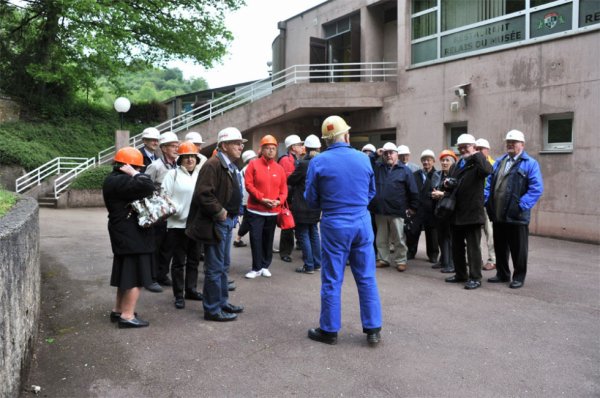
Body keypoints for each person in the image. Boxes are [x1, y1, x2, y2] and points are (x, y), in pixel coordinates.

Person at [305, 115, 382, 346]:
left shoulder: (318, 162)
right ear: (346, 135)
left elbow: (310, 199)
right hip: (361, 221)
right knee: (366, 276)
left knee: (331, 278)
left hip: (335, 223)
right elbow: (371, 191)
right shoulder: (363, 158)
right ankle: (373, 329)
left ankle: (329, 330)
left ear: (326, 141)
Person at [185, 127, 245, 322]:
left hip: (226, 222)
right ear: (224, 145)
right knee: (214, 267)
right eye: (236, 143)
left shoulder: (229, 164)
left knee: (223, 266)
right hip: (216, 223)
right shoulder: (213, 164)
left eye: (241, 143)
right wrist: (220, 212)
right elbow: (204, 194)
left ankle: (221, 302)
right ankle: (212, 309)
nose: (241, 146)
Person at [103, 147, 155, 328]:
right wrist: (134, 173)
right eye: (137, 167)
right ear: (127, 166)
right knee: (135, 276)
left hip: (122, 232)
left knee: (125, 274)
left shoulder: (112, 180)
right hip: (132, 235)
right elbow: (149, 186)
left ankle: (118, 310)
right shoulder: (124, 181)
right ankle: (127, 315)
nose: (139, 171)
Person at [485, 129, 544, 289]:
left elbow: (536, 188)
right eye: (508, 142)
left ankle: (518, 277)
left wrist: (520, 206)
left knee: (519, 249)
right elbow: (489, 182)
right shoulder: (499, 161)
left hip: (517, 215)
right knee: (500, 246)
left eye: (514, 142)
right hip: (498, 213)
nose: (510, 144)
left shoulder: (530, 163)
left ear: (522, 145)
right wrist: (487, 200)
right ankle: (502, 274)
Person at [444, 134, 493, 290]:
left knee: (473, 248)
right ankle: (460, 274)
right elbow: (452, 182)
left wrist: (476, 154)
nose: (463, 149)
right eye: (460, 147)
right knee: (457, 246)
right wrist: (447, 183)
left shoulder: (478, 162)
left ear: (474, 147)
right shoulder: (457, 164)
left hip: (472, 212)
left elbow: (487, 170)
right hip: (456, 212)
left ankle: (475, 277)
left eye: (466, 146)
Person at [161, 141, 203, 310]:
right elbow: (164, 196)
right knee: (179, 262)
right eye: (186, 157)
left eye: (192, 156)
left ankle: (191, 290)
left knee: (194, 260)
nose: (190, 160)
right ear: (180, 160)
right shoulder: (173, 175)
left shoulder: (201, 174)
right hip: (177, 225)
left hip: (197, 225)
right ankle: (179, 295)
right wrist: (177, 210)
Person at [244, 135, 288, 279]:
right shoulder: (253, 164)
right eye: (267, 148)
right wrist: (262, 199)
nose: (270, 151)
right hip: (255, 210)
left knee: (268, 240)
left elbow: (284, 189)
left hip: (272, 211)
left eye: (273, 148)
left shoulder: (279, 168)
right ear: (261, 150)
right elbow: (248, 185)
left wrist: (279, 201)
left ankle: (265, 266)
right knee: (255, 239)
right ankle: (255, 267)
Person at [371, 142, 419, 272]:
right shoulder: (378, 167)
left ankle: (401, 260)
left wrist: (413, 207)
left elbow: (413, 190)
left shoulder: (405, 171)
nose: (388, 155)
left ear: (397, 154)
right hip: (380, 210)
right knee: (381, 238)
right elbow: (368, 163)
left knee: (399, 238)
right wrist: (376, 154)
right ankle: (383, 259)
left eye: (391, 152)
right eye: (386, 153)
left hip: (397, 210)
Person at [144, 131, 180, 292]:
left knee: (169, 246)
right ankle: (151, 278)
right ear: (164, 148)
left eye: (177, 145)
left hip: (173, 214)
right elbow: (144, 186)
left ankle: (162, 274)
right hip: (158, 213)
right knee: (155, 246)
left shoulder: (178, 166)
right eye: (173, 146)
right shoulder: (155, 166)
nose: (176, 148)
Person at [288, 134, 322, 274]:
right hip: (316, 204)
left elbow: (291, 180)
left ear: (306, 148)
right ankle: (318, 263)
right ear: (319, 147)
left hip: (302, 204)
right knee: (314, 233)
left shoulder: (303, 164)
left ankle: (308, 265)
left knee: (303, 234)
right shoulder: (322, 162)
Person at [406, 149, 440, 264]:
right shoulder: (415, 175)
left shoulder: (437, 175)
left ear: (433, 161)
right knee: (413, 231)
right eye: (424, 160)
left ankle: (433, 254)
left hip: (431, 209)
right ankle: (411, 251)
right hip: (417, 208)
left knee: (432, 233)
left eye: (429, 160)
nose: (426, 162)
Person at [277, 134, 304, 263]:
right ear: (293, 147)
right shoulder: (286, 160)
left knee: (295, 223)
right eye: (299, 145)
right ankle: (285, 252)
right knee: (287, 224)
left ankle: (295, 244)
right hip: (289, 198)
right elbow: (287, 181)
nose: (302, 147)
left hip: (294, 197)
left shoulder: (296, 159)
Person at [431, 150, 458, 273]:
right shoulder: (438, 174)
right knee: (441, 236)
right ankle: (443, 260)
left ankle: (451, 263)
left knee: (451, 237)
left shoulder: (456, 174)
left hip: (451, 210)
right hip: (439, 210)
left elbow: (457, 192)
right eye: (443, 160)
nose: (444, 162)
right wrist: (434, 194)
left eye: (447, 160)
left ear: (453, 162)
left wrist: (442, 194)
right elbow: (432, 188)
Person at [475, 138, 496, 271]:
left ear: (487, 150)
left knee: (490, 232)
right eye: (476, 149)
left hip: (487, 204)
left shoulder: (493, 164)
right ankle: (476, 259)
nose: (477, 152)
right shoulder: (473, 165)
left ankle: (492, 259)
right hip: (475, 204)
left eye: (480, 149)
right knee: (474, 233)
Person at [233, 150, 258, 248]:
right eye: (254, 158)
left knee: (248, 219)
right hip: (249, 199)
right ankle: (238, 239)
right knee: (249, 220)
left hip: (245, 199)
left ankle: (238, 239)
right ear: (250, 159)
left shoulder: (244, 169)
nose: (256, 159)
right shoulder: (249, 169)